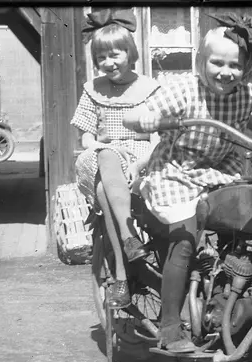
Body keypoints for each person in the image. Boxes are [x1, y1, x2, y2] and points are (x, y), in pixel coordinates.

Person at [123, 13, 252, 353]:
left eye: (234, 65)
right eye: (216, 63)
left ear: (245, 69)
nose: (225, 72)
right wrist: (145, 118)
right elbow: (133, 115)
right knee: (186, 238)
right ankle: (170, 328)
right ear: (201, 62)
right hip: (176, 171)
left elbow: (247, 119)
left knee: (246, 226)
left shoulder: (244, 92)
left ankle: (232, 299)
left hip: (219, 169)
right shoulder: (184, 90)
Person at [72, 7, 160, 310]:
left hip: (142, 156)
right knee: (107, 153)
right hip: (102, 156)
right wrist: (98, 142)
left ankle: (122, 277)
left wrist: (140, 164)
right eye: (101, 58)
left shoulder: (148, 88)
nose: (108, 63)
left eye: (115, 55)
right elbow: (84, 136)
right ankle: (128, 235)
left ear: (130, 53)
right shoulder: (93, 90)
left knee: (102, 192)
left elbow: (157, 138)